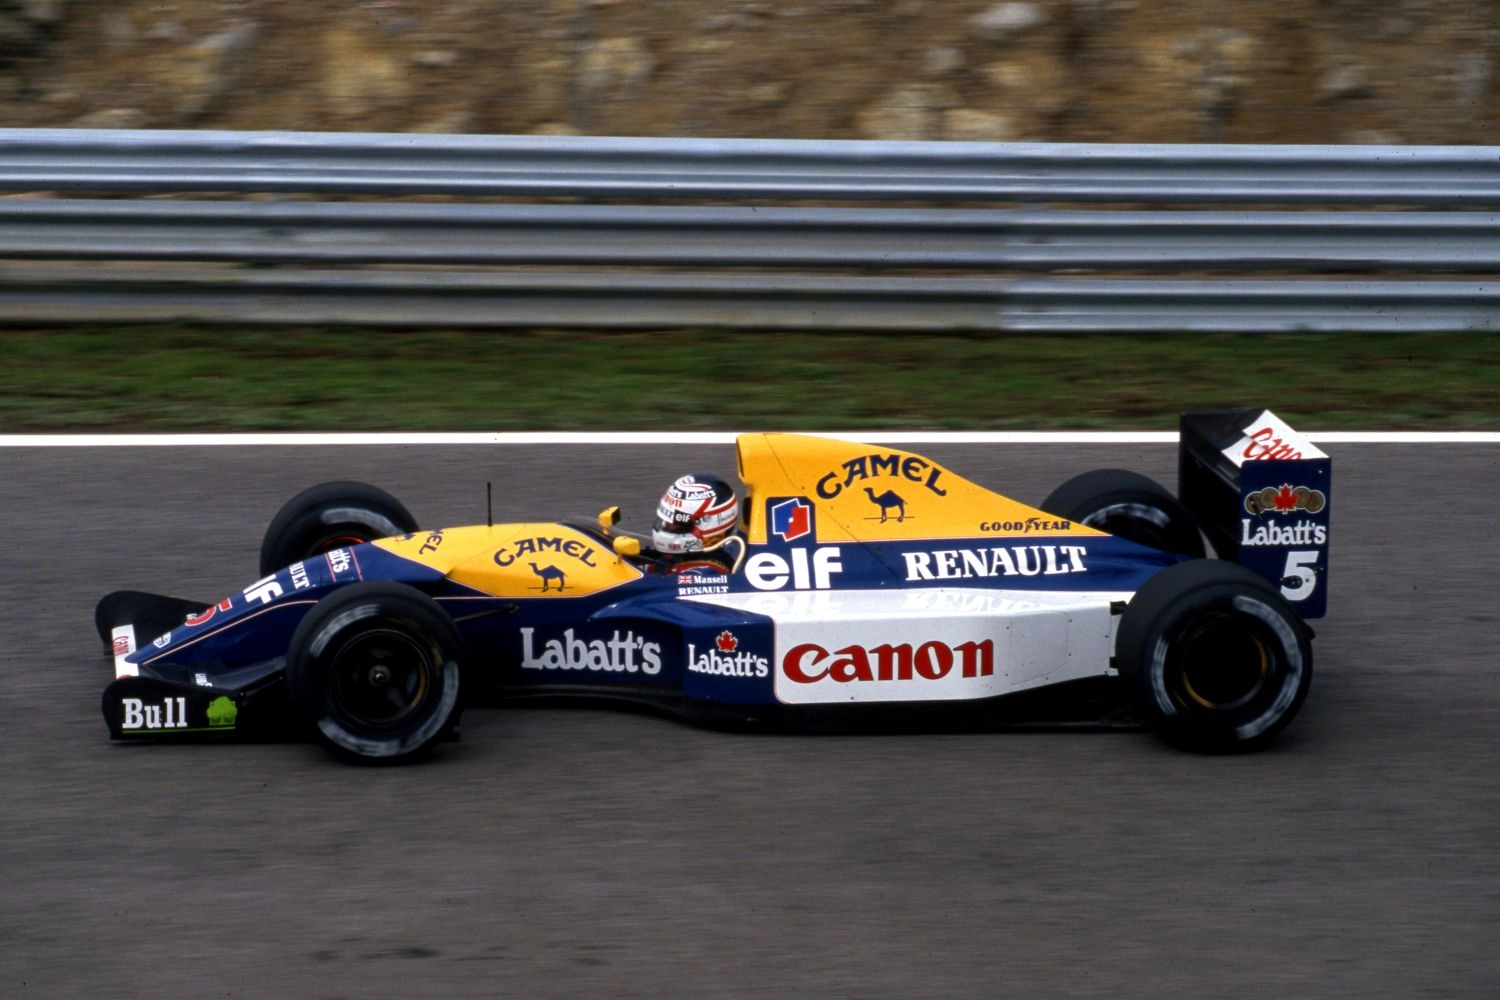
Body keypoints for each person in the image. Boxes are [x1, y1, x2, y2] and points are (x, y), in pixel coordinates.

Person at [647, 473, 744, 574]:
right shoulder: (678, 556)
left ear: (708, 525)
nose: (666, 525)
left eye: (676, 523)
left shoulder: (706, 572)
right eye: (666, 520)